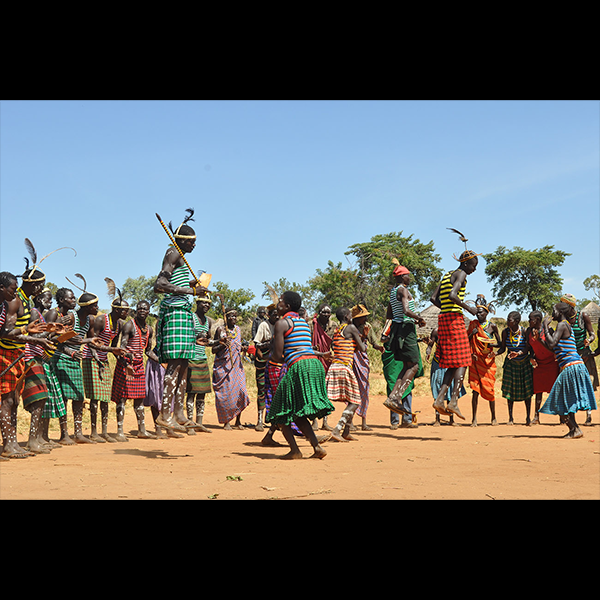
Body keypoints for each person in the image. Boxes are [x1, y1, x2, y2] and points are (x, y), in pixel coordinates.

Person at [153, 209, 208, 433]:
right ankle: (165, 415)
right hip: (175, 313)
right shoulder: (172, 253)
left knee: (184, 366)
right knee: (175, 365)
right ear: (182, 240)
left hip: (184, 313)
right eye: (192, 241)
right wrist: (189, 290)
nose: (194, 245)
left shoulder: (181, 259)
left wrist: (192, 286)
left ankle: (178, 413)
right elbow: (159, 284)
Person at [265, 291, 334, 459]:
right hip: (314, 365)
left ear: (287, 306)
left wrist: (266, 354)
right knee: (297, 412)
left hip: (299, 366)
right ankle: (317, 447)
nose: (277, 304)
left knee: (279, 410)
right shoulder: (303, 322)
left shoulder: (282, 323)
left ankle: (295, 451)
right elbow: (303, 348)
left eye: (280, 302)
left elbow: (278, 355)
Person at [0, 271, 52, 458]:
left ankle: (12, 444)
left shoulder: (25, 302)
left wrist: (41, 337)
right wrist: (31, 335)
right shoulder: (14, 301)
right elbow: (6, 332)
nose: (42, 288)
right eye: (41, 284)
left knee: (13, 400)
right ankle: (8, 445)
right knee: (7, 401)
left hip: (17, 354)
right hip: (6, 354)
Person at [429, 248, 479, 420]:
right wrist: (468, 308)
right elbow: (452, 295)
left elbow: (433, 299)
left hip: (443, 319)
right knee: (465, 359)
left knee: (453, 362)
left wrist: (446, 310)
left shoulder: (446, 275)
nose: (474, 269)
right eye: (473, 265)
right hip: (453, 320)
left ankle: (440, 398)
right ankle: (454, 401)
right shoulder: (461, 274)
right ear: (466, 264)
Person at [46, 286, 100, 444]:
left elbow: (92, 343)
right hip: (61, 358)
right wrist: (72, 351)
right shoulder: (70, 317)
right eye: (95, 305)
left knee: (78, 396)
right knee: (63, 397)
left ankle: (78, 433)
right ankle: (64, 435)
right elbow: (60, 339)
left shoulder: (90, 320)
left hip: (75, 360)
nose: (97, 308)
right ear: (88, 306)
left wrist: (108, 351)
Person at [539, 302, 597, 438]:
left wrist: (544, 327)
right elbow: (553, 348)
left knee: (557, 400)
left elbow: (552, 342)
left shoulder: (562, 325)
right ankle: (574, 429)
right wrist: (541, 339)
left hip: (571, 367)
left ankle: (575, 429)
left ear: (560, 312)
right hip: (574, 366)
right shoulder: (567, 326)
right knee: (567, 401)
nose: (552, 314)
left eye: (554, 311)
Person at [82, 284, 129, 442]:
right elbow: (92, 343)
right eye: (125, 310)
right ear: (117, 310)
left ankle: (104, 432)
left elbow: (114, 347)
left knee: (105, 397)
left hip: (103, 359)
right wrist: (99, 361)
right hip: (92, 358)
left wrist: (124, 364)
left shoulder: (120, 324)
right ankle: (94, 432)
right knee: (95, 397)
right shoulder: (101, 320)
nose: (127, 313)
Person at [384, 263, 427, 417]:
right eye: (408, 275)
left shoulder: (393, 292)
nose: (410, 278)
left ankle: (393, 397)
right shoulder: (403, 290)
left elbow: (390, 314)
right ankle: (396, 397)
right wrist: (419, 318)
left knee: (406, 366)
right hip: (405, 330)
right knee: (414, 366)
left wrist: (411, 320)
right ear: (402, 277)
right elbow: (406, 310)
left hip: (397, 329)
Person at [111, 301, 155, 440]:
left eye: (145, 308)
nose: (142, 310)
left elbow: (148, 351)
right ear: (136, 310)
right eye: (139, 308)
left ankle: (142, 430)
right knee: (122, 399)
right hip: (126, 366)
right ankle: (119, 432)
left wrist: (161, 361)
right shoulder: (129, 325)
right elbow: (121, 350)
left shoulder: (149, 330)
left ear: (149, 311)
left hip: (139, 365)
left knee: (139, 399)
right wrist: (126, 364)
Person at [326, 306, 366, 442]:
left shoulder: (337, 331)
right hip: (344, 367)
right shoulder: (351, 328)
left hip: (336, 366)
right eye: (350, 315)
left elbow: (349, 348)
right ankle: (337, 429)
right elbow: (362, 348)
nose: (352, 317)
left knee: (352, 399)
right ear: (346, 317)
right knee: (355, 401)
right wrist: (364, 338)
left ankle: (346, 431)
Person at [561, 293, 598, 426]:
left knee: (587, 384)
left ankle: (588, 416)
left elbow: (592, 333)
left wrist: (589, 340)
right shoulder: (563, 320)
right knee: (571, 386)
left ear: (570, 306)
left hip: (584, 355)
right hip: (570, 356)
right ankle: (572, 416)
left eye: (563, 304)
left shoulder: (583, 316)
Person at [211, 308, 250, 429]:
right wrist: (222, 344)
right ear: (226, 318)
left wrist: (243, 348)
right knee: (226, 394)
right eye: (231, 316)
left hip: (237, 367)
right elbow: (213, 349)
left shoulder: (238, 330)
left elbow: (238, 346)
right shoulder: (220, 330)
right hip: (224, 367)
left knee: (241, 392)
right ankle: (227, 421)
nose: (233, 318)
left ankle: (238, 420)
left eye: (235, 316)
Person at [467, 295, 501, 426]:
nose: (478, 314)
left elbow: (500, 344)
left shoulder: (492, 326)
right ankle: (474, 419)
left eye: (481, 312)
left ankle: (493, 417)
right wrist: (472, 333)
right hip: (475, 360)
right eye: (477, 312)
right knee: (475, 390)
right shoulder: (472, 325)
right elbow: (465, 341)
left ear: (486, 313)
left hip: (487, 362)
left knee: (490, 389)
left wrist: (492, 347)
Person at [497, 311, 534, 425]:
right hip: (511, 365)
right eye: (507, 319)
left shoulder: (524, 331)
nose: (507, 322)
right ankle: (510, 418)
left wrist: (518, 353)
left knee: (527, 391)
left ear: (517, 321)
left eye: (510, 320)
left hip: (524, 364)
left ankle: (528, 417)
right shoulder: (505, 332)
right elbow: (503, 348)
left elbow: (528, 348)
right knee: (510, 391)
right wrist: (495, 354)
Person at [352, 304, 384, 431]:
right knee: (353, 389)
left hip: (362, 358)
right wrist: (363, 336)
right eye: (362, 317)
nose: (365, 319)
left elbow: (373, 343)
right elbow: (355, 345)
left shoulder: (368, 327)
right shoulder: (350, 328)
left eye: (365, 316)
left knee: (364, 388)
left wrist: (379, 347)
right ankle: (351, 422)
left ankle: (363, 421)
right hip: (352, 357)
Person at [185, 291, 214, 434]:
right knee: (191, 393)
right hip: (191, 358)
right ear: (197, 303)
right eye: (203, 303)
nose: (206, 306)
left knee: (202, 393)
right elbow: (185, 336)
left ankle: (199, 423)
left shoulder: (208, 321)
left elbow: (207, 342)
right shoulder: (191, 317)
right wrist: (195, 339)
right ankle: (190, 424)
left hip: (203, 359)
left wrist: (217, 342)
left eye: (208, 304)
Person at [425, 326, 465, 426]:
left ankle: (451, 419)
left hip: (450, 362)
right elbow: (431, 345)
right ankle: (437, 419)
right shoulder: (436, 331)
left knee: (451, 388)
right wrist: (428, 352)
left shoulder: (456, 331)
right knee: (437, 387)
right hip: (438, 362)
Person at [525, 310, 559, 424]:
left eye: (531, 319)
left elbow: (553, 348)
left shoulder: (548, 331)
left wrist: (539, 340)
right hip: (539, 364)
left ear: (538, 320)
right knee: (538, 390)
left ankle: (562, 416)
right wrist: (531, 357)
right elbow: (528, 348)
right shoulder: (528, 332)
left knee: (556, 390)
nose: (529, 321)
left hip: (552, 364)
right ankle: (536, 416)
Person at [309, 302, 336, 431]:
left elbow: (334, 342)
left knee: (325, 391)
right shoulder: (311, 325)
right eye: (323, 312)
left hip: (328, 360)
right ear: (319, 313)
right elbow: (307, 342)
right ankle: (314, 421)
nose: (326, 314)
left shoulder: (333, 325)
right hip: (314, 359)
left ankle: (325, 421)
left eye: (328, 312)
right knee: (314, 390)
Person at [253, 303, 278, 432]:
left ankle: (274, 420)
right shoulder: (263, 325)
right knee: (262, 390)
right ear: (268, 315)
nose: (276, 317)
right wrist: (268, 344)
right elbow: (257, 344)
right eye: (274, 314)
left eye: (278, 314)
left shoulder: (280, 325)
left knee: (275, 391)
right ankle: (260, 420)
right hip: (263, 362)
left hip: (275, 362)